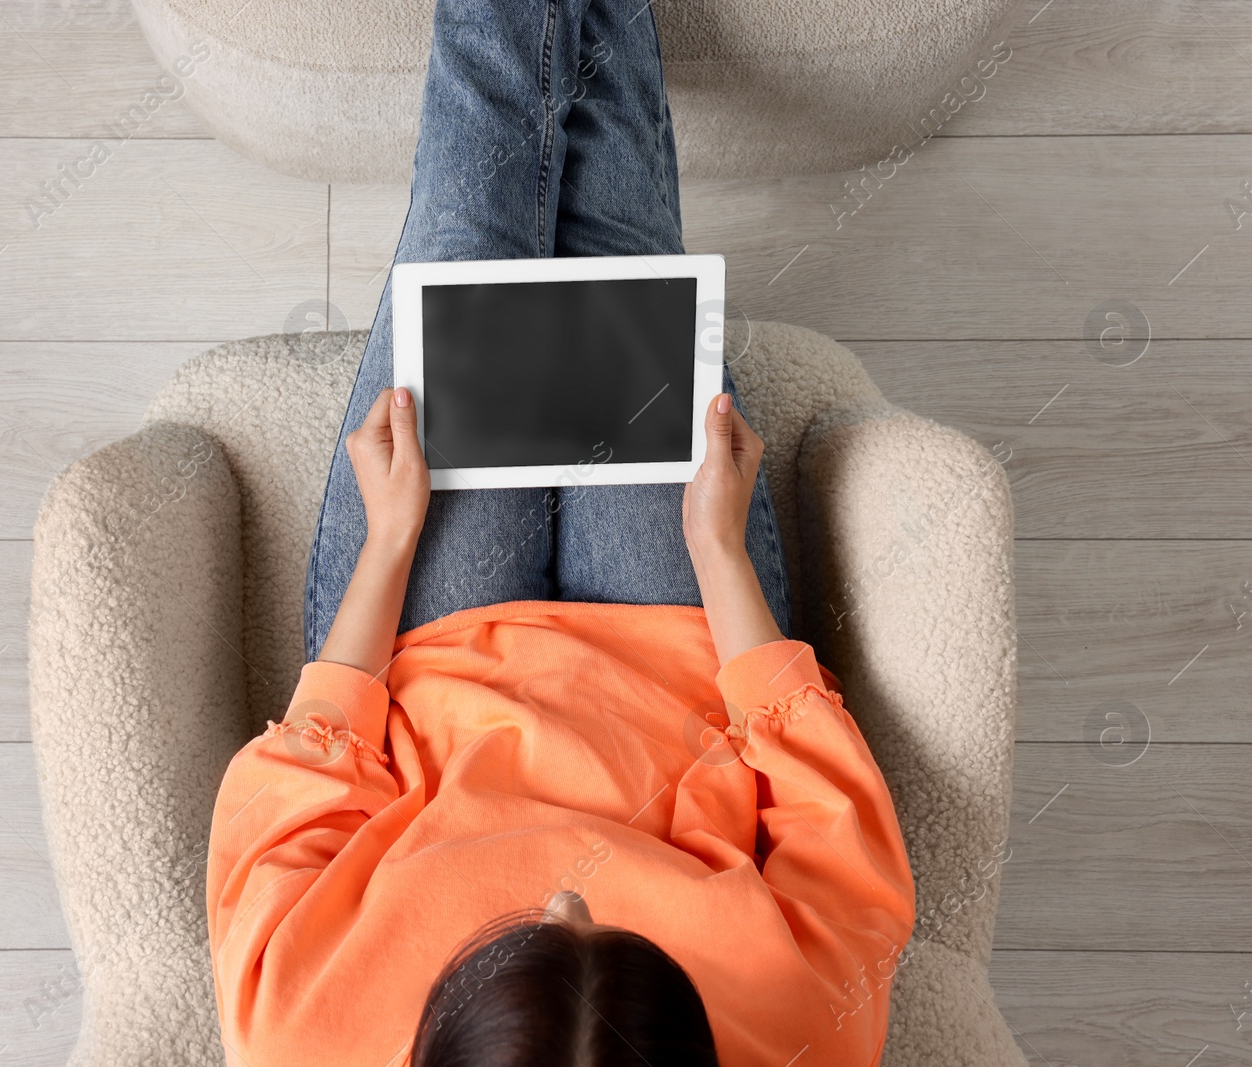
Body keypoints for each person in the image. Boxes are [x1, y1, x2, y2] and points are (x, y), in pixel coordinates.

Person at [204, 0, 915, 1063]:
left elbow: (295, 793)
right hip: (682, 643)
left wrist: (389, 540)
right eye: (610, 925)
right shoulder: (800, 1036)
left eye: (522, 930)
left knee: (472, 218)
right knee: (617, 223)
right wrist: (720, 550)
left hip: (424, 643)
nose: (566, 891)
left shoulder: (303, 1036)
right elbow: (834, 831)